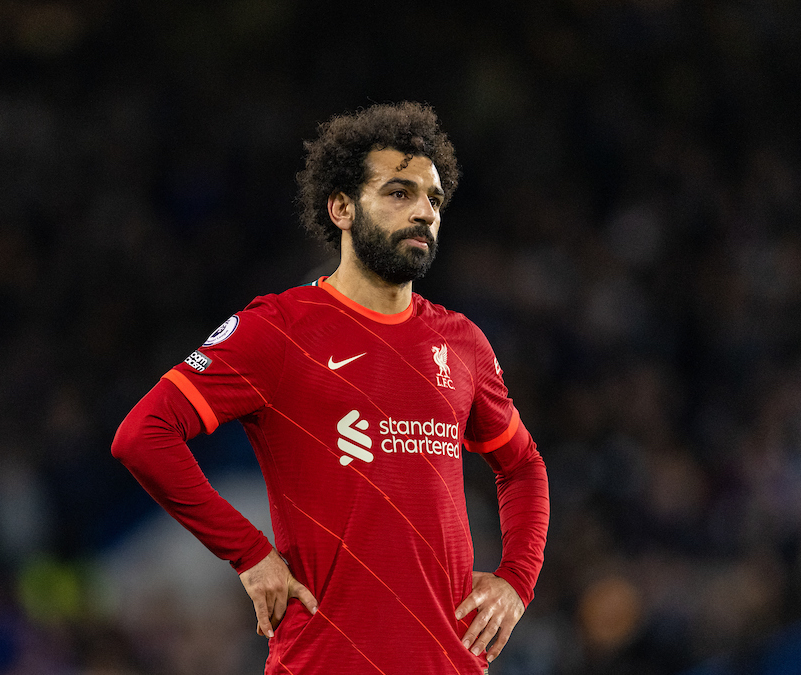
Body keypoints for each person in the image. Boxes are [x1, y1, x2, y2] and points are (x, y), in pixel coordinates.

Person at [112, 101, 549, 674]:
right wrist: (248, 554)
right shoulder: (280, 329)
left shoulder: (462, 342)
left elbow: (522, 466)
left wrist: (516, 580)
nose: (423, 212)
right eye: (399, 193)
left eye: (433, 199)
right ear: (342, 207)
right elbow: (143, 435)